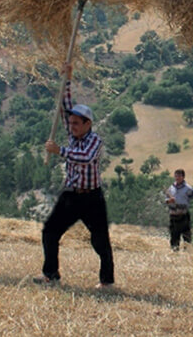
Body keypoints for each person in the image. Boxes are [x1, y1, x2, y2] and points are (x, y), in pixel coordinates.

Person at [36, 62, 114, 289]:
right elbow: (65, 103)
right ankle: (51, 275)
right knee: (50, 231)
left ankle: (106, 282)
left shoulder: (95, 141)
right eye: (70, 123)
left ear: (88, 124)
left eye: (77, 123)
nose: (72, 127)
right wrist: (67, 79)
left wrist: (59, 151)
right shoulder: (73, 134)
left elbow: (84, 157)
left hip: (91, 197)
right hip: (71, 194)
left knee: (100, 240)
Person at [164, 168, 193, 251]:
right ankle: (175, 254)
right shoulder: (171, 188)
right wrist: (169, 201)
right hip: (173, 216)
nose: (177, 178)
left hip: (183, 216)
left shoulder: (188, 188)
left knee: (186, 237)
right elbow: (166, 200)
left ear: (183, 177)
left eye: (179, 176)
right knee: (174, 237)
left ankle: (188, 254)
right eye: (176, 176)